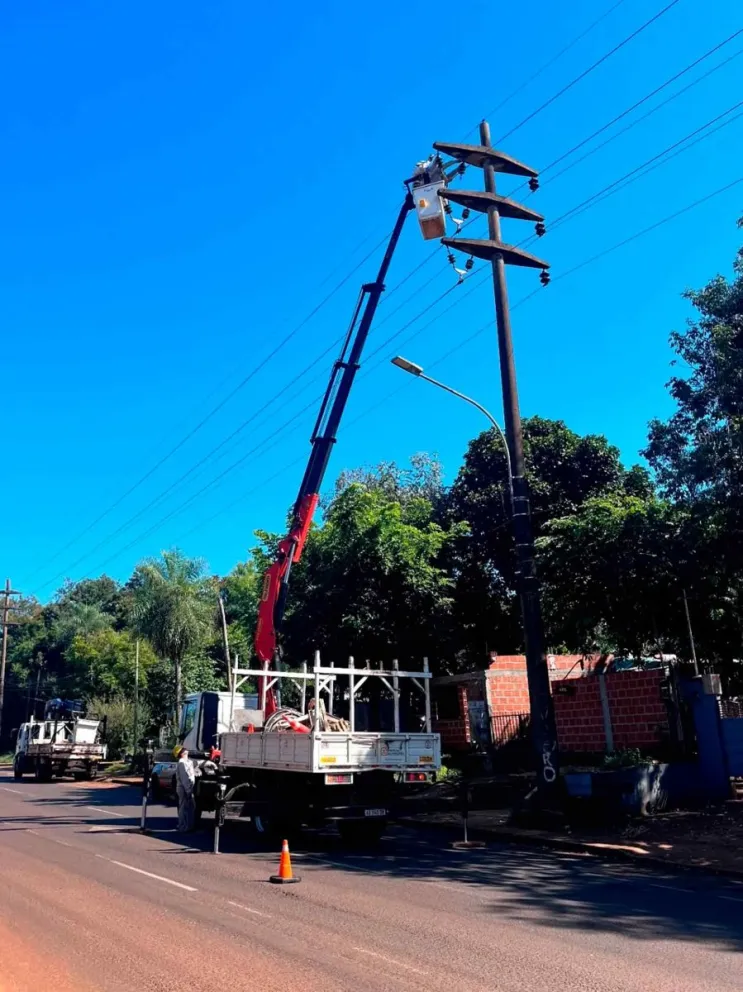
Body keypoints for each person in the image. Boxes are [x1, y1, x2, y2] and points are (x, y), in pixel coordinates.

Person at [175, 746, 196, 832]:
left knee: (190, 807)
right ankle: (182, 827)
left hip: (187, 787)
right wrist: (188, 791)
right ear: (182, 753)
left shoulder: (188, 762)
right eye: (185, 750)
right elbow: (184, 779)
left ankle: (187, 826)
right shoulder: (181, 764)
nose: (187, 751)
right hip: (183, 788)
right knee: (184, 808)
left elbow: (196, 763)